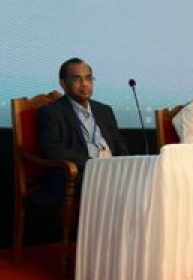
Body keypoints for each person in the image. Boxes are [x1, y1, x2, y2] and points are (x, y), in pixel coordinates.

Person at [39, 57, 129, 201]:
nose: (85, 84)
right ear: (63, 84)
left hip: (111, 170)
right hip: (80, 173)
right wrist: (92, 164)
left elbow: (118, 142)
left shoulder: (104, 110)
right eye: (77, 79)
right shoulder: (52, 112)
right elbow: (52, 149)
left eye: (89, 78)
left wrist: (124, 164)